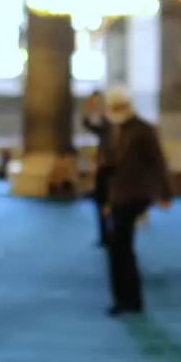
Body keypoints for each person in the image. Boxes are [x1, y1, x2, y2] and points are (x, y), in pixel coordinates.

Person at [102, 87, 171, 315]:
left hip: (135, 194)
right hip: (118, 194)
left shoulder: (143, 130)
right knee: (120, 248)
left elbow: (157, 162)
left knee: (120, 247)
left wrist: (164, 192)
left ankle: (128, 299)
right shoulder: (113, 130)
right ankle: (128, 298)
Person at [82, 91, 112, 246]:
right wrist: (89, 108)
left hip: (112, 171)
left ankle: (109, 235)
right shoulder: (104, 128)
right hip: (103, 171)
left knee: (108, 204)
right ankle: (104, 235)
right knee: (101, 204)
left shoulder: (111, 127)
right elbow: (87, 123)